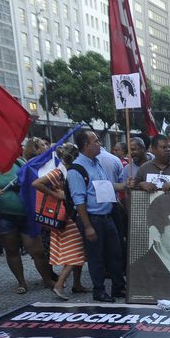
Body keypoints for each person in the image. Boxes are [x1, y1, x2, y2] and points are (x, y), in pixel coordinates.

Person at [0, 152, 52, 294]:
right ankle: (21, 282)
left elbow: (32, 179)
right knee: (11, 250)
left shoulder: (19, 164)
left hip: (25, 214)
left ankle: (47, 280)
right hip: (2, 215)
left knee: (37, 250)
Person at [67, 129, 126, 302]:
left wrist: (124, 186)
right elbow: (79, 201)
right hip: (92, 219)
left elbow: (105, 186)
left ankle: (118, 287)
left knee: (115, 254)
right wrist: (88, 227)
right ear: (86, 145)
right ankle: (99, 291)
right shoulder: (76, 169)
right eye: (96, 141)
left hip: (107, 216)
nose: (100, 144)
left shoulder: (96, 163)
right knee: (96, 257)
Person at [32, 143, 86, 300]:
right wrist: (56, 194)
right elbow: (36, 183)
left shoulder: (65, 170)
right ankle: (59, 284)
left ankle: (77, 284)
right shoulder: (58, 173)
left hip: (69, 215)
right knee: (77, 252)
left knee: (77, 251)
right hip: (66, 217)